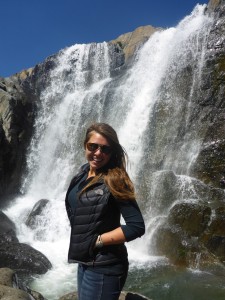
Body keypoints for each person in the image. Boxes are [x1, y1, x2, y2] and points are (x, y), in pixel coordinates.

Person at [65, 122, 145, 300]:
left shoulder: (115, 179)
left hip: (105, 266)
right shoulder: (83, 172)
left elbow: (136, 226)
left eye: (105, 149)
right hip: (85, 261)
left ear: (112, 152)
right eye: (93, 146)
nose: (98, 153)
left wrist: (97, 241)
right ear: (85, 145)